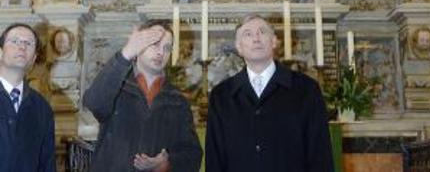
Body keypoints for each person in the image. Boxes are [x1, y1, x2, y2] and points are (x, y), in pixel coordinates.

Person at [205, 14, 334, 172]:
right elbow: (215, 159)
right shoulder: (221, 96)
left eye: (262, 32)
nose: (256, 38)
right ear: (239, 47)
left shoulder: (306, 90)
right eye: (248, 34)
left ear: (274, 42)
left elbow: (320, 155)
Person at [83, 20, 202, 172]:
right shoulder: (116, 85)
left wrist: (166, 163)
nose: (161, 53)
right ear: (139, 44)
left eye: (167, 48)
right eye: (155, 44)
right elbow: (94, 103)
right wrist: (125, 54)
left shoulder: (178, 100)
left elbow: (192, 154)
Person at [0, 23, 56, 172]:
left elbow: (47, 164)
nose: (22, 47)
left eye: (28, 43)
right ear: (0, 52)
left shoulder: (42, 108)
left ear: (33, 59)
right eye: (15, 41)